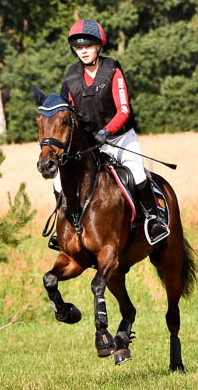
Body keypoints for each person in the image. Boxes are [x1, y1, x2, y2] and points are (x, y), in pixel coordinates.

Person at [49, 18, 167, 248]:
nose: (83, 51)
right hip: (90, 144)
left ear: (98, 47)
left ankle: (155, 221)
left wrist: (107, 131)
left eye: (88, 46)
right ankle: (63, 224)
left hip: (120, 138)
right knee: (57, 182)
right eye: (79, 48)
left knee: (137, 173)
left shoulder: (112, 69)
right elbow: (66, 113)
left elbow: (124, 110)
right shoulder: (71, 76)